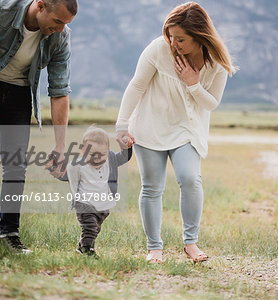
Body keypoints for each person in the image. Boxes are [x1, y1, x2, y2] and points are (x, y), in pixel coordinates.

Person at [0, 0, 78, 255]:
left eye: (66, 24)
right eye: (58, 22)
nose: (62, 30)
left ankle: (10, 233)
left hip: (20, 91)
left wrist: (60, 146)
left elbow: (59, 91)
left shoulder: (60, 37)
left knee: (15, 162)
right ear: (40, 6)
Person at [115, 2, 237, 263]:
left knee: (191, 179)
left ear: (199, 36)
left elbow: (211, 103)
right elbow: (136, 86)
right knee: (151, 187)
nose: (173, 43)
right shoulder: (159, 49)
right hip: (149, 127)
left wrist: (193, 84)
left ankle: (191, 244)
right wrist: (122, 125)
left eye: (180, 39)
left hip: (186, 129)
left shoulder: (216, 62)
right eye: (171, 36)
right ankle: (154, 248)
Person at [57, 126, 134, 257]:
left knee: (95, 228)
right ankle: (87, 250)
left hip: (102, 205)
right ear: (83, 150)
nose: (97, 158)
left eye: (102, 154)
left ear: (108, 151)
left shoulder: (110, 160)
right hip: (84, 204)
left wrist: (126, 147)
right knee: (90, 226)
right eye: (92, 154)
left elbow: (123, 157)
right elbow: (65, 175)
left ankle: (82, 245)